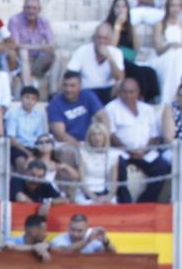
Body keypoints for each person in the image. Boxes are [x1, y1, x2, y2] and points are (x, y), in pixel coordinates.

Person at [105, 75, 174, 203]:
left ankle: (146, 202)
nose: (127, 95)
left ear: (138, 93)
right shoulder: (111, 108)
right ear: (119, 92)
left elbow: (155, 135)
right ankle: (125, 203)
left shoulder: (147, 109)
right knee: (118, 166)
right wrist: (130, 151)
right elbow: (111, 135)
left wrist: (144, 150)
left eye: (131, 92)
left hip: (145, 152)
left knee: (162, 167)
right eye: (124, 92)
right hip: (122, 152)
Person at [108, 0, 160, 102]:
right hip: (116, 60)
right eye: (117, 6)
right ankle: (139, 98)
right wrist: (117, 25)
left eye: (123, 6)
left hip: (130, 58)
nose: (120, 9)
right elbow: (111, 47)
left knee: (150, 72)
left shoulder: (130, 26)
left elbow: (136, 49)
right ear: (113, 9)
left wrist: (132, 29)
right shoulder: (108, 26)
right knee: (138, 72)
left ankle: (150, 99)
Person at [67, 23, 124, 105]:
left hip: (108, 91)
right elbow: (71, 73)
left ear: (110, 40)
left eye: (105, 38)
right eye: (99, 38)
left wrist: (110, 58)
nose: (101, 41)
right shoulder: (82, 51)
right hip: (87, 91)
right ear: (94, 38)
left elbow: (119, 77)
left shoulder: (116, 53)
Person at [8, 0, 57, 86]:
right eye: (28, 8)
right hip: (19, 60)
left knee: (58, 55)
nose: (31, 11)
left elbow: (51, 44)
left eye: (34, 8)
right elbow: (16, 45)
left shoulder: (44, 22)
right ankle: (27, 88)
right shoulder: (15, 20)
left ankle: (53, 92)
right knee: (23, 52)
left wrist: (45, 47)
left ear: (39, 10)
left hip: (38, 60)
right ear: (23, 9)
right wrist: (40, 47)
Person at [76, 119, 123, 204]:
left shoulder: (113, 154)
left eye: (100, 134)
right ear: (89, 137)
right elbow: (81, 180)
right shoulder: (83, 153)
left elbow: (114, 181)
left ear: (105, 136)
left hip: (105, 192)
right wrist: (94, 198)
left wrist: (108, 197)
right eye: (93, 135)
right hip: (86, 193)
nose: (97, 138)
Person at [5, 85, 47, 173]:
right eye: (27, 97)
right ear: (21, 98)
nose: (29, 101)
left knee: (45, 162)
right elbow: (11, 139)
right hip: (18, 148)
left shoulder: (39, 116)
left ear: (36, 101)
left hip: (34, 148)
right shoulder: (13, 114)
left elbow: (40, 137)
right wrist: (27, 152)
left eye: (33, 99)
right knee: (22, 163)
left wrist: (36, 152)